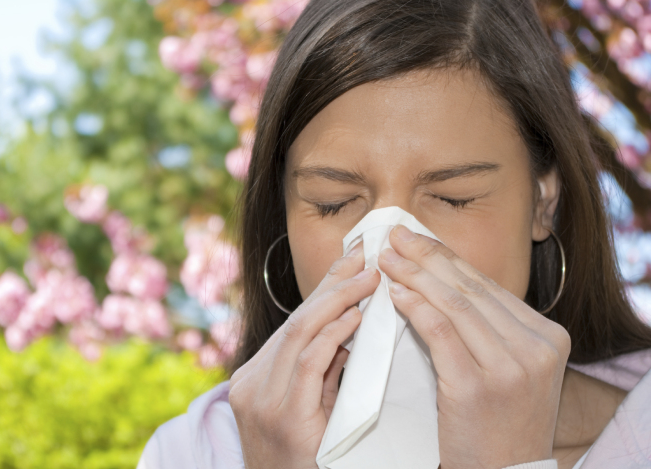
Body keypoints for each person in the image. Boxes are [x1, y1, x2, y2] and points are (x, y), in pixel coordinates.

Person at [137, 0, 651, 468]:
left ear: (543, 202)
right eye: (333, 204)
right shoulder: (196, 452)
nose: (386, 251)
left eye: (454, 198)